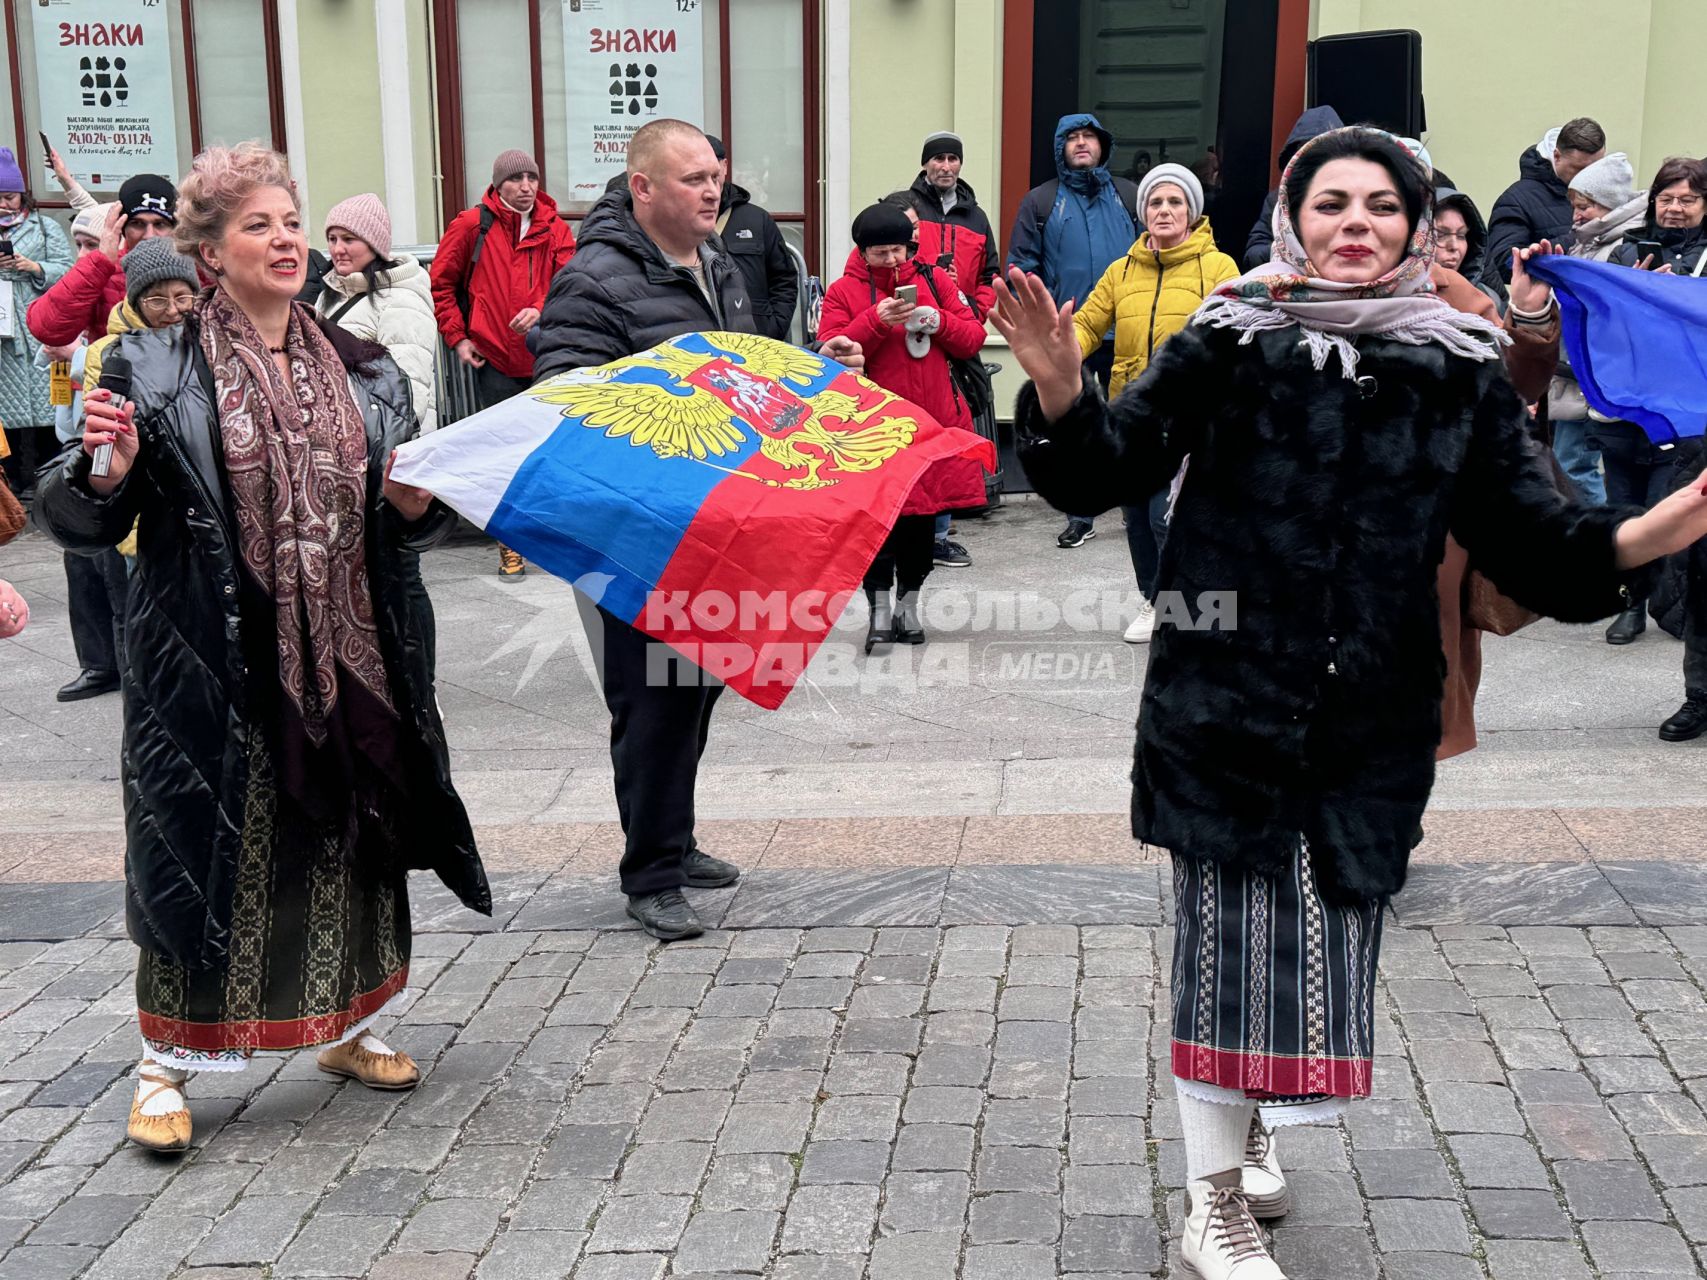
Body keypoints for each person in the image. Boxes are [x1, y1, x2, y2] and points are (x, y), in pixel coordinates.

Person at [993, 125, 1707, 1280]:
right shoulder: (1231, 337)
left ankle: (1252, 1119)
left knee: (1320, 945)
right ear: (1293, 217)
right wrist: (1062, 383)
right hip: (1222, 703)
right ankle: (1211, 1199)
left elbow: (1535, 534)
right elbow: (1107, 464)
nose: (1356, 223)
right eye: (1332, 203)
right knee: (1222, 953)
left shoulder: (1461, 363)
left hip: (1369, 719)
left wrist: (1647, 531)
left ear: (1418, 225)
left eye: (1382, 204)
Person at [35, 141, 489, 1154]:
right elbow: (75, 513)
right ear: (210, 249)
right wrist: (103, 476)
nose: (286, 239)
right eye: (259, 225)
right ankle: (164, 1063)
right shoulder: (151, 363)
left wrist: (412, 507)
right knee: (205, 857)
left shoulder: (368, 371)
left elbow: (397, 524)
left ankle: (350, 1024)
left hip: (352, 654)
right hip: (210, 658)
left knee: (344, 844)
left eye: (293, 221)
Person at [531, 118, 861, 943]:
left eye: (715, 175)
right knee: (651, 703)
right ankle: (649, 874)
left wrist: (821, 369)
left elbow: (746, 379)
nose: (712, 190)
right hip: (631, 531)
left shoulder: (719, 266)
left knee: (697, 689)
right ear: (642, 187)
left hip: (716, 520)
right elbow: (565, 397)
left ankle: (670, 842)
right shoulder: (594, 280)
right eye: (692, 179)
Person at [1070, 163, 1238, 642]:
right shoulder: (1121, 271)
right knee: (1137, 519)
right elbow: (1086, 325)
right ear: (1143, 213)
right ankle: (1156, 601)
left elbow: (1237, 334)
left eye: (1174, 203)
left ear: (1191, 212)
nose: (1164, 211)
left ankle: (1194, 607)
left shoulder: (1218, 267)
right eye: (1155, 203)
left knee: (1170, 515)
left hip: (1190, 416)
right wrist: (1058, 352)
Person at [818, 202, 989, 650]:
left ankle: (908, 607)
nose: (892, 260)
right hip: (870, 432)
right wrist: (875, 322)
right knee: (874, 527)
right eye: (881, 253)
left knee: (921, 526)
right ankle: (877, 610)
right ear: (862, 253)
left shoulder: (934, 279)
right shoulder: (843, 291)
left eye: (898, 250)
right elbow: (832, 354)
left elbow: (972, 338)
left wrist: (940, 321)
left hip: (931, 425)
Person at [429, 149, 576, 580]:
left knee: (549, 453)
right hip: (493, 358)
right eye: (516, 179)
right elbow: (441, 283)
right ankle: (510, 545)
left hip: (546, 356)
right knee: (504, 456)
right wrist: (457, 337)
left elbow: (573, 285)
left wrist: (542, 308)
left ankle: (551, 540)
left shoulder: (555, 228)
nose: (526, 186)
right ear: (498, 185)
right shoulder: (473, 225)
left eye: (532, 177)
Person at [1006, 113, 1141, 551]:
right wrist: (1041, 321)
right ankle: (1080, 514)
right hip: (1070, 337)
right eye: (1073, 138)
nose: (1082, 144)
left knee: (1131, 421)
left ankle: (1135, 505)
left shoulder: (1129, 195)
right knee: (1076, 430)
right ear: (1060, 147)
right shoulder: (1041, 201)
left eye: (1090, 137)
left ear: (1103, 145)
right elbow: (1021, 265)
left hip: (1129, 331)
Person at [1591, 157, 1707, 652]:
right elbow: (1601, 325)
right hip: (1623, 409)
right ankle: (1630, 604)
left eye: (1688, 199)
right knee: (1623, 509)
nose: (1675, 209)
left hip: (1680, 414)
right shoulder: (1625, 251)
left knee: (1664, 512)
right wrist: (1630, 293)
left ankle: (1668, 600)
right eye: (1666, 198)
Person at [1544, 152, 1645, 505]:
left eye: (1585, 205)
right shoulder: (1591, 242)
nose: (1576, 215)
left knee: (1575, 465)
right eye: (1574, 205)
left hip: (1589, 376)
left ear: (1608, 203)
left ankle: (1601, 538)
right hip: (1573, 371)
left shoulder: (1617, 247)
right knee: (1568, 462)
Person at [316, 194, 438, 433]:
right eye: (332, 239)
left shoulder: (402, 300)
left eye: (349, 239)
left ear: (375, 244)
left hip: (389, 449)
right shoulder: (330, 295)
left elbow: (410, 394)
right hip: (346, 439)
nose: (337, 249)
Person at [26, 173, 177, 347]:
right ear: (123, 228)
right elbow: (47, 328)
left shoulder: (195, 269)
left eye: (160, 224)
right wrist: (100, 262)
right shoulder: (102, 271)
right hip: (115, 372)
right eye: (138, 224)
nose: (149, 236)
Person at [0, 147, 74, 494]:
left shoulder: (44, 228)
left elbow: (69, 271)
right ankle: (14, 477)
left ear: (22, 195)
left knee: (51, 400)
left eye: (10, 196)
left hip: (39, 324)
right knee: (6, 406)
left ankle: (51, 476)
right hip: (3, 333)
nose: (4, 204)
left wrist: (34, 267)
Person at [1481, 118, 1605, 288]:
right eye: (1580, 169)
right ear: (1556, 156)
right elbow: (1501, 263)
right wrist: (1578, 239)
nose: (1590, 177)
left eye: (1598, 168)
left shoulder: (1605, 192)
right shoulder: (1516, 200)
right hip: (1547, 307)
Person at [705, 135, 797, 341]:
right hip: (703, 340)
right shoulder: (679, 220)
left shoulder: (757, 219)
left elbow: (784, 278)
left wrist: (774, 327)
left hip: (757, 339)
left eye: (712, 172)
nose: (707, 183)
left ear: (725, 166)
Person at [907, 130, 1000, 320]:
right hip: (913, 324)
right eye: (939, 158)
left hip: (962, 324)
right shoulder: (907, 209)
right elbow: (891, 263)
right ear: (925, 163)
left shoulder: (977, 217)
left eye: (953, 159)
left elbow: (989, 276)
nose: (946, 167)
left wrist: (976, 312)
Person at [1243, 106, 1343, 269]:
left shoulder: (1357, 195)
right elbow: (1254, 252)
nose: (1315, 159)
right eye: (1306, 150)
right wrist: (1289, 252)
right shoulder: (1278, 199)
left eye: (1323, 151)